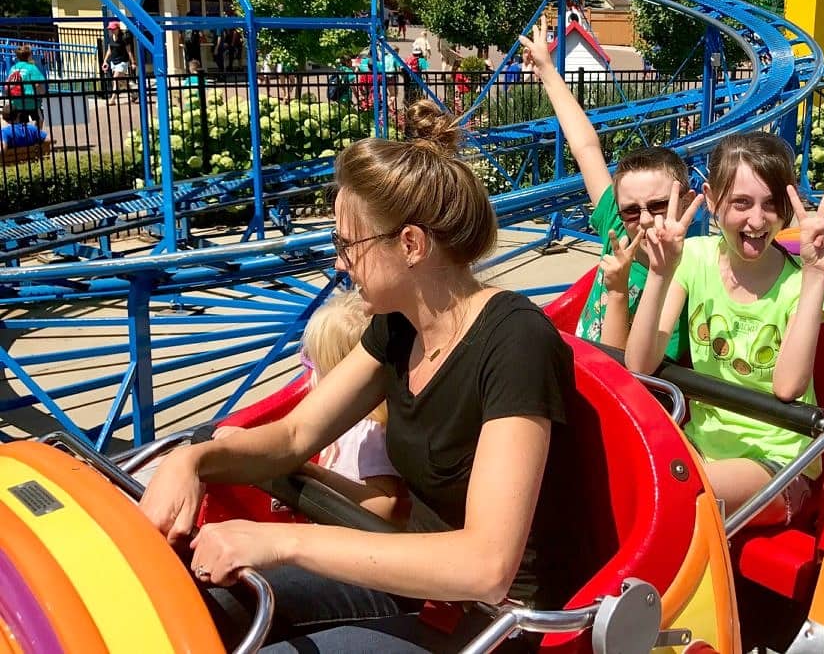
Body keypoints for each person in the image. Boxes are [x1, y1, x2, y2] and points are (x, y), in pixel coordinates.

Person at [139, 100, 575, 651]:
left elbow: (485, 565)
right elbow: (295, 437)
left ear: (411, 245)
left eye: (348, 244)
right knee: (197, 600)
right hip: (411, 583)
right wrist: (191, 460)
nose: (339, 263)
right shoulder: (398, 326)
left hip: (490, 621)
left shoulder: (515, 340)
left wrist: (279, 544)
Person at [626, 134, 824, 526]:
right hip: (700, 445)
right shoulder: (695, 258)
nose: (757, 220)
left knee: (676, 491)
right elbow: (640, 361)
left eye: (771, 205)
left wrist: (815, 275)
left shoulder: (799, 285)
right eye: (741, 203)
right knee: (623, 468)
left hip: (778, 461)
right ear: (711, 199)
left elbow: (788, 388)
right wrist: (660, 273)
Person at [519, 16, 691, 359]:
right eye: (631, 210)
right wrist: (548, 72)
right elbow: (586, 147)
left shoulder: (683, 277)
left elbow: (630, 372)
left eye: (658, 206)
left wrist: (617, 291)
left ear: (684, 203)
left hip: (619, 389)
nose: (643, 220)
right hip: (581, 366)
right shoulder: (619, 227)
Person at [216, 289, 405, 522]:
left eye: (310, 362)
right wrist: (246, 443)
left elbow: (388, 508)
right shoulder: (353, 424)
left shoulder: (367, 433)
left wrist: (311, 472)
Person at [4, 44, 46, 128]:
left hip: (16, 102)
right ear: (29, 55)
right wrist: (42, 94)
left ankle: (24, 139)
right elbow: (38, 85)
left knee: (22, 124)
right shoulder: (31, 68)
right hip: (31, 101)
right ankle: (37, 137)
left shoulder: (13, 68)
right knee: (39, 119)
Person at [103, 21, 134, 103]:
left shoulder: (124, 38)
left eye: (113, 29)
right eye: (110, 29)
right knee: (121, 80)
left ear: (118, 29)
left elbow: (129, 51)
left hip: (122, 61)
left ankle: (112, 99)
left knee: (116, 78)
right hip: (114, 61)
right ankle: (133, 93)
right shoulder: (111, 38)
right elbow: (109, 50)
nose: (111, 30)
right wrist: (105, 61)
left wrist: (133, 62)